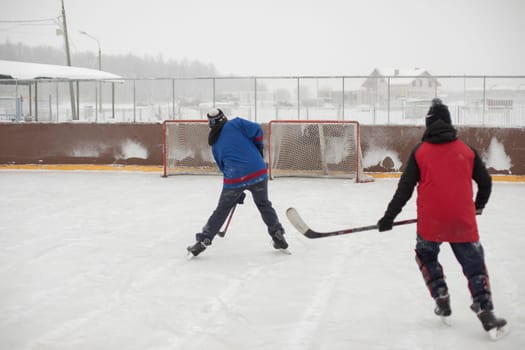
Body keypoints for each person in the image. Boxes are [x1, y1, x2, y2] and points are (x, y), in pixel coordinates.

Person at [377, 98, 507, 338]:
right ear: (449, 123)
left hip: (430, 223)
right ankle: (485, 310)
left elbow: (404, 189)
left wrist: (388, 218)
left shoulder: (420, 152)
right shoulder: (467, 151)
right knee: (474, 266)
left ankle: (441, 296)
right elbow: (486, 183)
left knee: (426, 255)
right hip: (462, 222)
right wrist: (477, 207)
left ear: (427, 125)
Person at [187, 108, 288, 257]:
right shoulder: (237, 123)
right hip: (258, 171)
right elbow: (257, 131)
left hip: (235, 178)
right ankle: (277, 234)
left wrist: (236, 191)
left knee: (222, 209)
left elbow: (224, 167)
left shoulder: (214, 144)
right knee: (264, 204)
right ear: (224, 118)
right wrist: (258, 148)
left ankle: (203, 240)